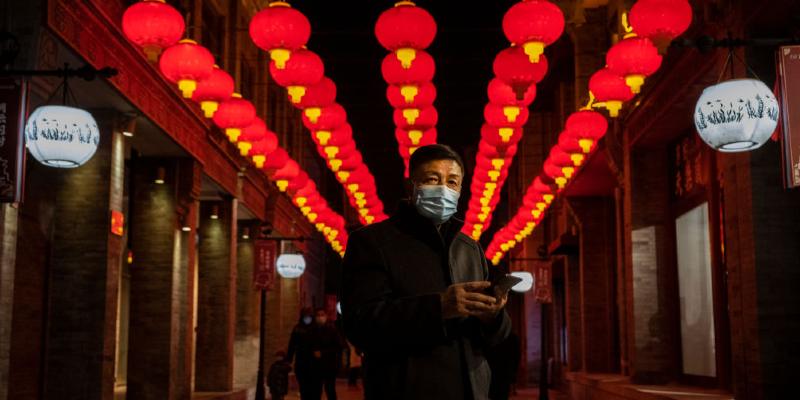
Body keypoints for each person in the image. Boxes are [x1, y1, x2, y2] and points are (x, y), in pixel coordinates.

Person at [341, 144, 512, 400]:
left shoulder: (469, 248)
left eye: (452, 182)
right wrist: (439, 307)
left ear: (460, 189)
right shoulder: (372, 242)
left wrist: (493, 316)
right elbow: (359, 324)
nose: (444, 188)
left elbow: (497, 337)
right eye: (433, 179)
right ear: (411, 186)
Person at [309, 308, 344, 400]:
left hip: (329, 365)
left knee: (330, 389)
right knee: (316, 390)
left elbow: (339, 346)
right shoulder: (313, 330)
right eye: (318, 315)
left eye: (322, 315)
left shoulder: (332, 329)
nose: (320, 317)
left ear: (326, 316)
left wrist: (323, 353)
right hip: (316, 366)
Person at [285, 307, 316, 400]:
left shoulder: (316, 329)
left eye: (309, 316)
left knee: (313, 388)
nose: (307, 318)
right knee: (303, 387)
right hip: (301, 362)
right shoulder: (297, 329)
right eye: (305, 316)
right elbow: (292, 345)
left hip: (314, 363)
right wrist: (289, 359)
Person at [487, 331, 521, 400]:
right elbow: (516, 358)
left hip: (497, 373)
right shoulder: (512, 338)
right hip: (503, 374)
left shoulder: (492, 336)